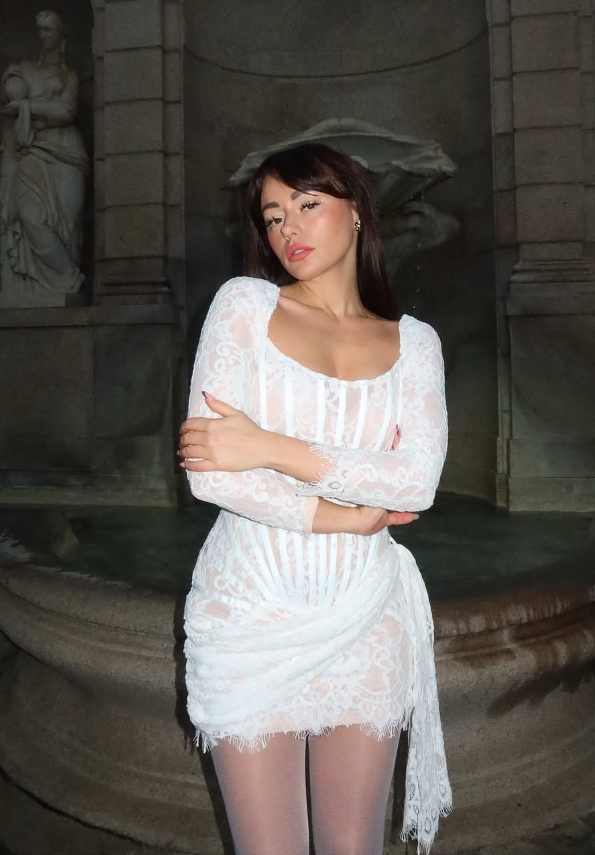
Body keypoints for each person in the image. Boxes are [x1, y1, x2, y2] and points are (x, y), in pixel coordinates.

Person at [178, 143, 451, 855]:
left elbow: (415, 480)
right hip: (251, 608)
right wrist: (344, 515)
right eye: (272, 216)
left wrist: (268, 446)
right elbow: (211, 473)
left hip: (364, 615)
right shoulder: (243, 306)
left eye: (307, 204)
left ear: (356, 212)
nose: (287, 229)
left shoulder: (414, 344)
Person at [0, 10, 88, 297]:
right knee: (31, 218)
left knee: (69, 227)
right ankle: (67, 278)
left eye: (48, 29)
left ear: (62, 34)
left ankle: (67, 286)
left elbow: (67, 111)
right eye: (40, 29)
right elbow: (9, 93)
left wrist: (27, 107)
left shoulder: (69, 76)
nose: (43, 35)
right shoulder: (23, 69)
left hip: (67, 153)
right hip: (32, 151)